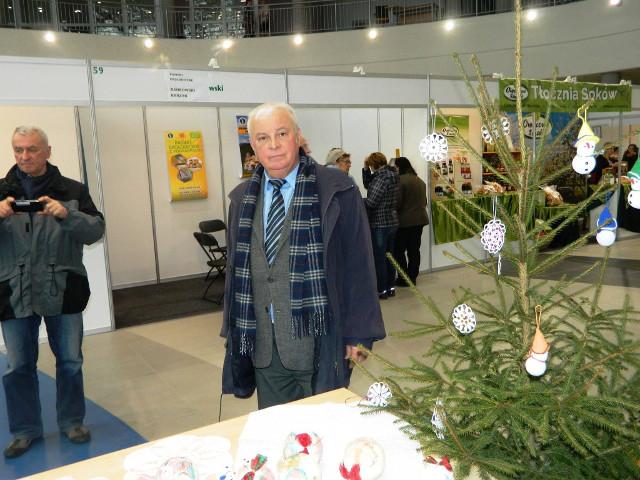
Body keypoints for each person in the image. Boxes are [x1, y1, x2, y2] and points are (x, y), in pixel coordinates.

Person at [221, 103, 385, 409]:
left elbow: (359, 265)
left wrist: (360, 333)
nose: (273, 145)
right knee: (278, 430)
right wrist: (232, 332)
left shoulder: (337, 190)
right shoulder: (241, 200)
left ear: (297, 137)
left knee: (326, 426)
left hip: (321, 339)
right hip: (266, 347)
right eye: (263, 138)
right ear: (253, 146)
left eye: (282, 134)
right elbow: (236, 273)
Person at [0, 126, 105, 458]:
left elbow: (96, 231)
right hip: (14, 292)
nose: (24, 156)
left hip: (63, 289)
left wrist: (67, 214)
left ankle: (72, 422)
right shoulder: (1, 191)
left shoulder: (72, 190)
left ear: (47, 151)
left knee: (70, 361)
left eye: (32, 149)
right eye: (18, 150)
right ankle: (24, 430)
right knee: (18, 366)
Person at [363, 152, 399, 299]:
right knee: (390, 257)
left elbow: (372, 202)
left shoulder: (381, 178)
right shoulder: (393, 175)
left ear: (374, 164)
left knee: (380, 258)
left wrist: (359, 200)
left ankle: (381, 290)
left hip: (380, 223)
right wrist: (365, 170)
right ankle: (391, 288)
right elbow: (368, 184)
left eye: (370, 165)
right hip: (392, 221)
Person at [393, 157, 428, 287]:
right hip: (420, 220)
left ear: (399, 167)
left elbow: (397, 203)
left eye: (395, 167)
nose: (395, 170)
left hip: (404, 222)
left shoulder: (400, 181)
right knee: (414, 250)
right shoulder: (420, 181)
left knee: (398, 251)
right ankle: (412, 277)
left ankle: (403, 278)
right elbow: (424, 201)